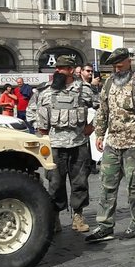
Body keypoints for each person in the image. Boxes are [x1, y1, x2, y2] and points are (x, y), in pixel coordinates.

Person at [86, 48, 135, 243]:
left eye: (120, 63)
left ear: (128, 61)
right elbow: (103, 110)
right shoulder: (109, 82)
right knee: (107, 185)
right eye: (114, 65)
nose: (117, 68)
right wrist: (99, 133)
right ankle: (105, 226)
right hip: (113, 142)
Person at [37, 56, 98, 234]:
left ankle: (78, 217)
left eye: (63, 68)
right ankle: (55, 217)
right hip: (55, 146)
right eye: (58, 68)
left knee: (80, 183)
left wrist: (92, 126)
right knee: (55, 184)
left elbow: (103, 108)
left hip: (78, 144)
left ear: (71, 70)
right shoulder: (46, 91)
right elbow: (36, 114)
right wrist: (42, 132)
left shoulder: (84, 90)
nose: (59, 71)